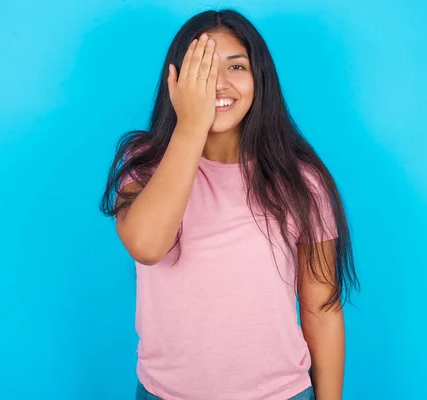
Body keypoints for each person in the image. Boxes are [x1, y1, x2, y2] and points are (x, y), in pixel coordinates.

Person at [100, 9, 359, 400]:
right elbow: (147, 246)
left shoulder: (302, 180)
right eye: (200, 69)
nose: (217, 84)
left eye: (235, 66)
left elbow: (322, 311)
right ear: (176, 80)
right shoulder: (143, 163)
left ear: (260, 79)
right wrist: (190, 125)